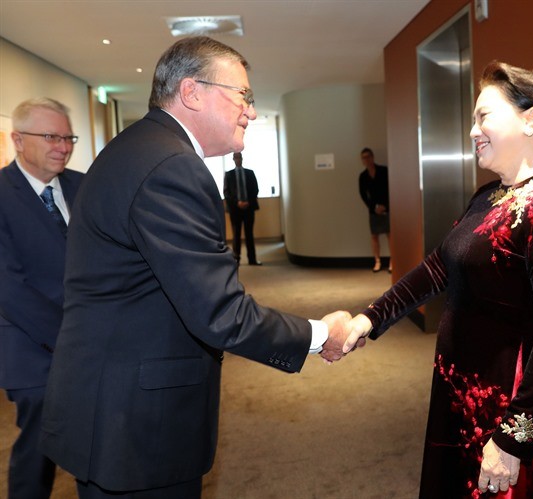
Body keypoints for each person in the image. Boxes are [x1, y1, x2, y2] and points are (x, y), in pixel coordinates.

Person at [39, 36, 352, 499]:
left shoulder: (136, 149)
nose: (251, 110)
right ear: (192, 92)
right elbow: (221, 312)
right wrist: (320, 335)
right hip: (134, 425)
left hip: (110, 406)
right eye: (243, 95)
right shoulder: (171, 167)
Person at [343, 61, 533, 498]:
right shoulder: (489, 195)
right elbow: (439, 266)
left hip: (502, 414)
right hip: (458, 395)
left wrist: (514, 439)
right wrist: (370, 319)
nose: (472, 131)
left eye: (483, 117)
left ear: (529, 118)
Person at [0, 97, 83, 499]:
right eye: (51, 136)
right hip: (33, 347)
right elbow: (9, 288)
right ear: (18, 139)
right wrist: (69, 340)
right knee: (40, 448)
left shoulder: (84, 186)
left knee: (99, 443)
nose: (63, 146)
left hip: (93, 342)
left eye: (68, 137)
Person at [223, 151, 261, 265]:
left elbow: (255, 189)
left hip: (249, 208)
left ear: (242, 158)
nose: (238, 159)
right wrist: (237, 203)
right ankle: (236, 259)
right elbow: (226, 193)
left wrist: (247, 201)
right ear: (233, 159)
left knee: (249, 234)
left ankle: (252, 259)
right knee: (236, 234)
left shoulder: (250, 173)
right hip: (235, 210)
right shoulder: (229, 175)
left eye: (239, 157)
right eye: (236, 157)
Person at [358, 147, 392, 272]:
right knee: (374, 236)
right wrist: (374, 207)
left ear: (372, 157)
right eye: (363, 158)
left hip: (387, 207)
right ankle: (377, 261)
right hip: (373, 210)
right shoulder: (362, 176)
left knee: (390, 235)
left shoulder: (384, 171)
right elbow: (363, 195)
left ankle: (392, 261)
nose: (366, 160)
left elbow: (390, 188)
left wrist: (385, 206)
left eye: (368, 157)